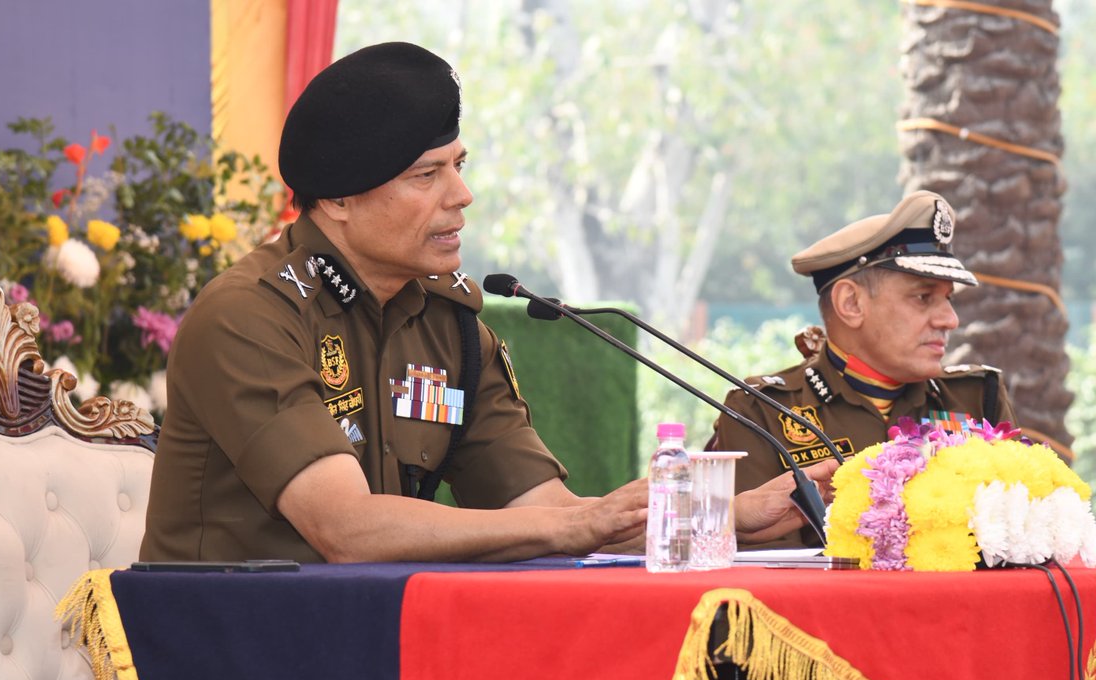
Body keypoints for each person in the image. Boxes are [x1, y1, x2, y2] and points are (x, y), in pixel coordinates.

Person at [140, 41, 833, 565]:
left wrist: (722, 516)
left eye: (459, 166)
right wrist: (572, 525)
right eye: (427, 176)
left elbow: (548, 513)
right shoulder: (250, 316)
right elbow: (345, 529)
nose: (461, 196)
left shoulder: (450, 327)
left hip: (369, 640)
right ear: (339, 200)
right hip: (226, 651)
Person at [707, 188, 1016, 553]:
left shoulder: (977, 397)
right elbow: (757, 569)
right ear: (851, 303)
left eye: (948, 299)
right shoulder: (763, 411)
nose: (950, 319)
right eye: (923, 297)